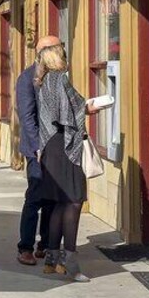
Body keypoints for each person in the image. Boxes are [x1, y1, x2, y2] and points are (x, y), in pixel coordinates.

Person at [36, 41, 97, 282]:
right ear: (58, 58)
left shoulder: (44, 82)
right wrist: (88, 108)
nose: (67, 58)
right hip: (64, 147)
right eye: (63, 54)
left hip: (51, 147)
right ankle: (70, 263)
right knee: (73, 201)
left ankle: (52, 260)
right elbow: (67, 114)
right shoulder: (60, 80)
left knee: (60, 204)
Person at [15, 36, 59, 266]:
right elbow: (27, 117)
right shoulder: (27, 78)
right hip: (38, 150)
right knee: (35, 197)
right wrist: (37, 147)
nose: (61, 51)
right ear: (42, 52)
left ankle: (46, 244)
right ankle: (25, 247)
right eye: (57, 47)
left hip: (57, 148)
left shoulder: (58, 75)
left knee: (53, 199)